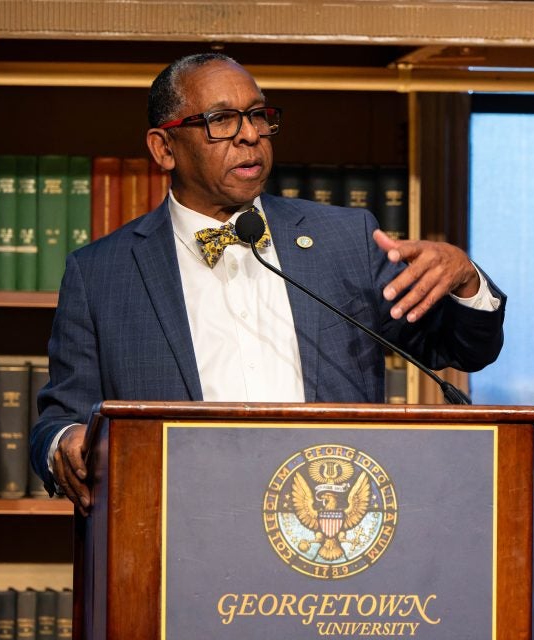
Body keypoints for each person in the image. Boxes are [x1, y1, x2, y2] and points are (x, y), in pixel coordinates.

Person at [29, 53, 507, 515]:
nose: (250, 135)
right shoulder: (101, 273)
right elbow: (59, 417)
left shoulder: (345, 241)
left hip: (325, 527)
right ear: (164, 148)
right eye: (222, 120)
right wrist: (64, 444)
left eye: (258, 115)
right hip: (178, 527)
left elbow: (459, 349)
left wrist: (466, 281)